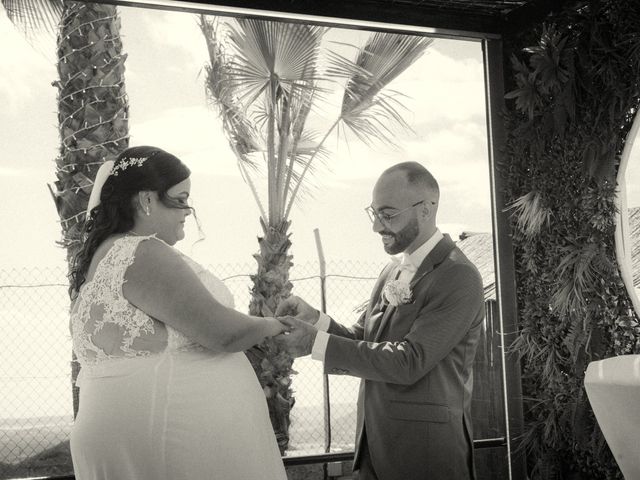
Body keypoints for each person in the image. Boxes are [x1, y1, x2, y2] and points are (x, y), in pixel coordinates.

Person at [68, 146, 289, 480]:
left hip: (136, 435)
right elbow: (222, 332)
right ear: (146, 200)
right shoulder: (141, 252)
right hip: (162, 442)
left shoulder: (106, 255)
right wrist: (278, 324)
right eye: (181, 198)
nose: (188, 210)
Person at [276, 161, 485, 480]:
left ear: (426, 210)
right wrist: (317, 321)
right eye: (374, 213)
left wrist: (313, 343)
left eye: (387, 215)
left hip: (426, 456)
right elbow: (365, 337)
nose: (376, 226)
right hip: (374, 449)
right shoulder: (391, 271)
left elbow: (409, 361)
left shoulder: (458, 275)